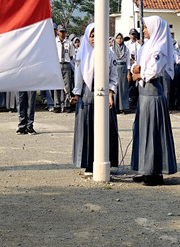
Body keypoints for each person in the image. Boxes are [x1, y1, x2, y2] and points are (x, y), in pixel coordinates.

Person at [130, 16, 178, 186]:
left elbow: (152, 72)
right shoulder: (146, 47)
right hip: (143, 94)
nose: (143, 30)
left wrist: (138, 74)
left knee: (153, 133)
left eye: (145, 27)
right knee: (142, 131)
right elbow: (136, 66)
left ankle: (155, 172)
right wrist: (135, 70)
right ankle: (144, 168)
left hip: (152, 94)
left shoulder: (160, 49)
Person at [70, 23, 119, 177]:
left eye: (97, 35)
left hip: (104, 96)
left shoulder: (108, 54)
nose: (94, 39)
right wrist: (76, 94)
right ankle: (87, 164)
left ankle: (106, 162)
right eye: (91, 36)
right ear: (87, 37)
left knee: (105, 130)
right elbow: (78, 78)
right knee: (87, 129)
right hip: (86, 96)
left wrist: (111, 94)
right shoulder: (81, 54)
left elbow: (113, 76)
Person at [54, 25, 75, 113]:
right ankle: (57, 104)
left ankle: (67, 104)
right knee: (56, 85)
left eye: (63, 31)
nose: (62, 33)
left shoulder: (69, 42)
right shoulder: (54, 42)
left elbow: (71, 55)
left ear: (66, 32)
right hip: (57, 64)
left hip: (66, 64)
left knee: (68, 85)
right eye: (60, 31)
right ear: (57, 32)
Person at [111, 33, 130, 113]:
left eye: (121, 38)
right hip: (115, 68)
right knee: (115, 87)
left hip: (123, 69)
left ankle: (123, 107)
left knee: (123, 88)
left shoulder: (126, 49)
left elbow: (128, 61)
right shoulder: (111, 49)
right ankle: (115, 107)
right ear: (115, 39)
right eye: (117, 38)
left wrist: (128, 72)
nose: (119, 40)